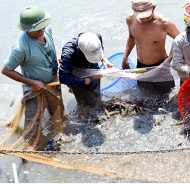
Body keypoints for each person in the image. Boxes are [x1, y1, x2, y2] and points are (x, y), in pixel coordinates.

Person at [1, 5, 64, 150]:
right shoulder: (20, 48)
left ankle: (59, 137)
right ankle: (34, 151)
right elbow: (6, 70)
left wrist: (56, 56)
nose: (42, 30)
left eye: (43, 26)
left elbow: (49, 48)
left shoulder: (47, 30)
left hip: (53, 81)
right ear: (26, 30)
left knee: (59, 114)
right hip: (34, 89)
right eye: (37, 29)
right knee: (32, 130)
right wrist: (32, 82)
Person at [122, 0, 180, 96]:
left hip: (161, 67)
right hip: (141, 66)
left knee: (166, 96)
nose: (144, 20)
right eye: (141, 17)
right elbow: (131, 37)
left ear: (154, 7)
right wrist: (125, 57)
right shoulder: (130, 19)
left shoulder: (165, 23)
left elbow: (180, 41)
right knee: (144, 94)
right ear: (133, 10)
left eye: (147, 16)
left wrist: (169, 60)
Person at [59, 31, 114, 115]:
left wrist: (105, 60)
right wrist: (86, 81)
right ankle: (84, 117)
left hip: (93, 70)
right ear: (78, 48)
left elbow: (101, 48)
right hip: (77, 76)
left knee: (97, 97)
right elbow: (63, 77)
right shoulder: (69, 52)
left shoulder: (96, 37)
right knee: (86, 105)